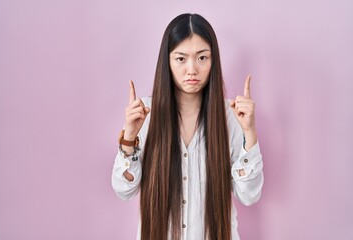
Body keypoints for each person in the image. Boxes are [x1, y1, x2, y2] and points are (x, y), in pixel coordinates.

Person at [112, 13, 263, 240]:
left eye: (202, 58)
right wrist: (129, 138)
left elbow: (249, 195)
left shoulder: (230, 116)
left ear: (213, 60)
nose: (192, 69)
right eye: (181, 59)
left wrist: (250, 132)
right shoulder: (145, 114)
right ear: (168, 61)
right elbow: (124, 190)